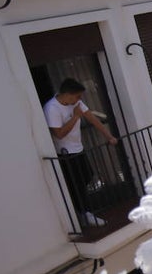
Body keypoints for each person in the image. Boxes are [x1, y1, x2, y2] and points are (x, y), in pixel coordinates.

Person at [43, 78, 118, 228]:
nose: (79, 99)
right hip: (65, 154)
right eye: (77, 96)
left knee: (87, 176)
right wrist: (76, 116)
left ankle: (82, 211)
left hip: (78, 148)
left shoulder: (75, 103)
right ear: (67, 94)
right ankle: (85, 213)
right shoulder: (52, 108)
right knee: (77, 184)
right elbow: (59, 134)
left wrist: (108, 136)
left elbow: (92, 118)